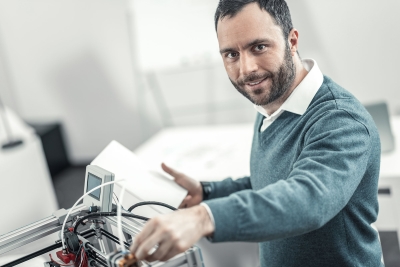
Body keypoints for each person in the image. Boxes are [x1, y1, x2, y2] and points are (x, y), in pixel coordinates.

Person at [130, 1, 383, 266]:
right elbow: (273, 183)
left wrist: (204, 217)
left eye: (258, 47)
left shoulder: (341, 119)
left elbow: (308, 200)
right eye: (231, 54)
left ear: (292, 41)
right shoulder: (271, 101)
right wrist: (208, 192)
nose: (246, 69)